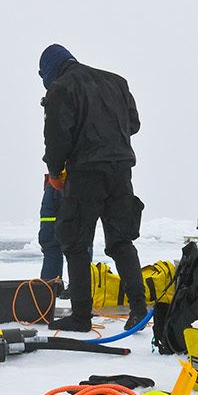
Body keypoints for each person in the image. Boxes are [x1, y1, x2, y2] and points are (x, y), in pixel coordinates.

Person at [38, 44, 147, 332]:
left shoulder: (61, 88)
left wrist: (54, 172)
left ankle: (81, 317)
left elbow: (57, 137)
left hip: (86, 173)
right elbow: (133, 124)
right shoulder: (117, 82)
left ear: (49, 68)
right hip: (121, 172)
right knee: (122, 241)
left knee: (75, 243)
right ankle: (138, 311)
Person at [37, 172, 65, 287]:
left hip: (67, 184)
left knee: (79, 244)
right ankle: (50, 286)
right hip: (58, 184)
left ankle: (50, 286)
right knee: (50, 243)